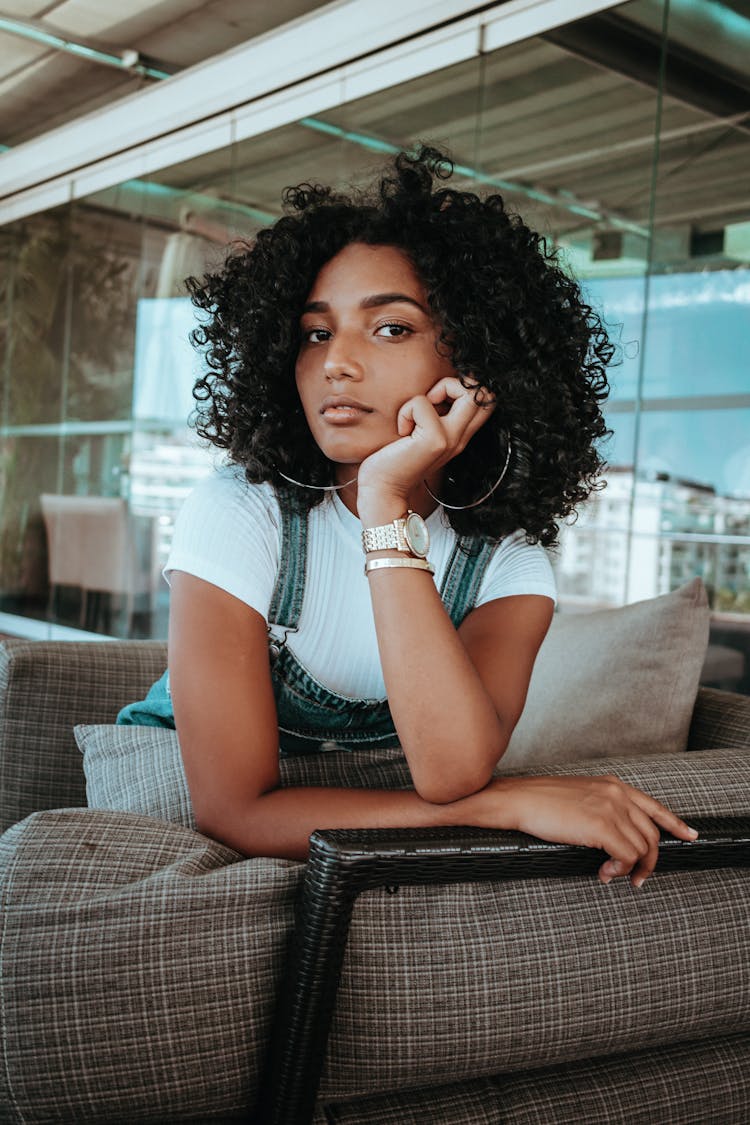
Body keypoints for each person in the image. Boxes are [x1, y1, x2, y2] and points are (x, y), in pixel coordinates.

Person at [118, 146, 698, 881]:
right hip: (171, 796)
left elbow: (450, 768)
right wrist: (501, 805)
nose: (336, 363)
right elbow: (233, 809)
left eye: (390, 328)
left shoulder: (506, 563)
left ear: (477, 363)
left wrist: (384, 502)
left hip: (356, 817)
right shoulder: (243, 511)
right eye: (316, 332)